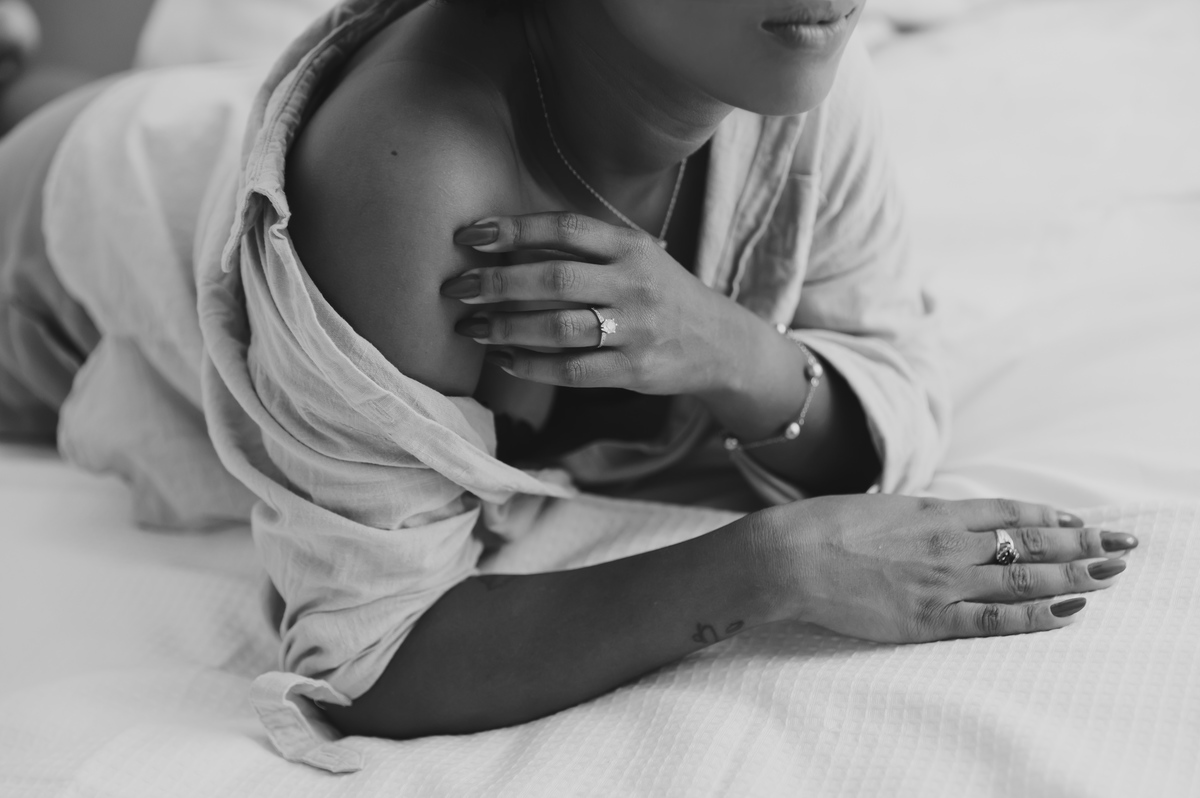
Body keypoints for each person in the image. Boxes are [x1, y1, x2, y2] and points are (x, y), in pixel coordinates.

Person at [0, 0, 1135, 764]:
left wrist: (730, 349)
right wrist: (776, 564)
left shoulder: (793, 50)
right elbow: (370, 657)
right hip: (51, 250)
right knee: (44, 100)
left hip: (192, 134)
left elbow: (894, 370)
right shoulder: (412, 170)